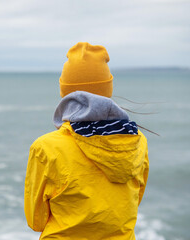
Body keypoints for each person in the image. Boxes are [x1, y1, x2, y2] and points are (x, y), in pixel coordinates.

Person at [24, 42, 149, 240]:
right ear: (108, 90)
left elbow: (35, 220)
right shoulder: (137, 140)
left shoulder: (45, 147)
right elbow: (134, 200)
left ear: (65, 93)